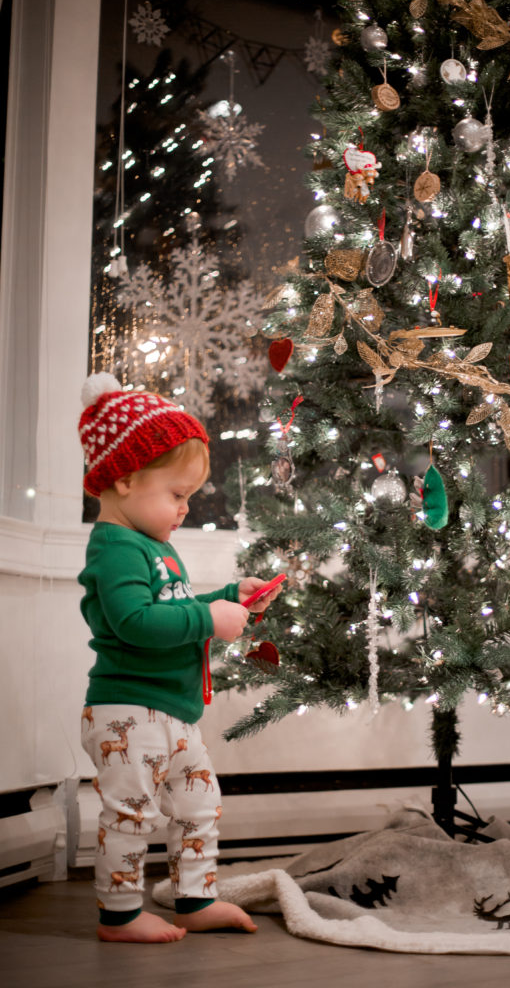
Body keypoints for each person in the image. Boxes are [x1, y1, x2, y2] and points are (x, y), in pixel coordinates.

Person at [77, 372, 283, 943]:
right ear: (123, 479)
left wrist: (223, 598)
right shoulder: (115, 547)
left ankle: (195, 899)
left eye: (188, 496)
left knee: (198, 805)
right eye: (176, 495)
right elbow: (135, 623)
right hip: (129, 712)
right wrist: (209, 622)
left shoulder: (155, 548)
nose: (185, 508)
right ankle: (117, 915)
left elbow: (172, 607)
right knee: (133, 815)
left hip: (173, 713)